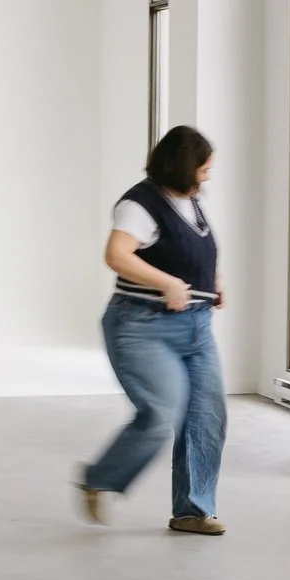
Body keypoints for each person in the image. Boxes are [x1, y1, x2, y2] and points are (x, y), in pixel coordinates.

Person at [80, 126, 228, 534]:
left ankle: (192, 511)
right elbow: (117, 255)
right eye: (204, 169)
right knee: (161, 415)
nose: (208, 176)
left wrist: (214, 280)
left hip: (196, 327)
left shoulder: (190, 200)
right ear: (184, 167)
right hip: (142, 326)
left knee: (206, 416)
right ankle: (100, 479)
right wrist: (164, 283)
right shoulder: (139, 205)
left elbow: (192, 249)